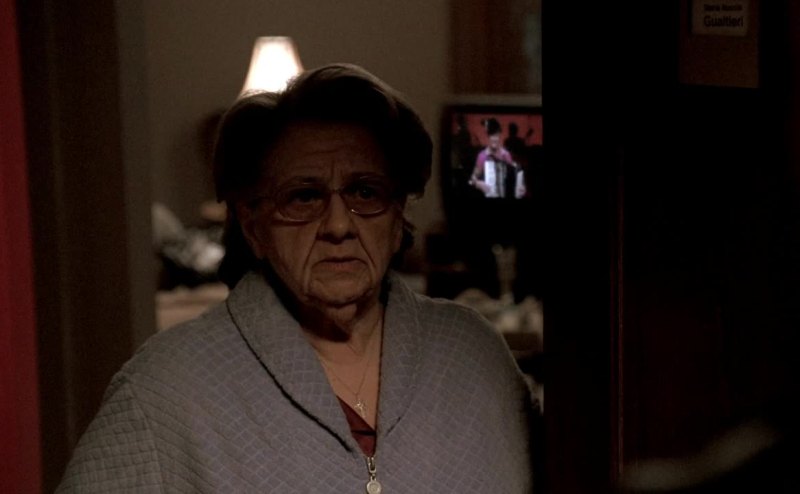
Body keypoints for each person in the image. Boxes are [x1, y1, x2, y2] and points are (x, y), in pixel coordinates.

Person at [56, 63, 535, 492]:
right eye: (303, 197)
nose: (339, 226)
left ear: (397, 219)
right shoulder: (166, 390)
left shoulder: (475, 356)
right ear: (253, 226)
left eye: (365, 192)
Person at [470, 118, 526, 198]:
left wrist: (521, 187)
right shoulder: (482, 156)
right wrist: (478, 184)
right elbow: (471, 180)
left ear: (500, 135)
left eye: (497, 135)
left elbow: (515, 176)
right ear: (487, 136)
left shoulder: (506, 155)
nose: (495, 139)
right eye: (492, 135)